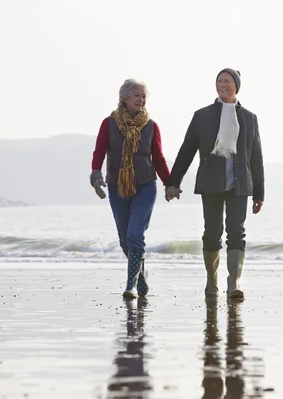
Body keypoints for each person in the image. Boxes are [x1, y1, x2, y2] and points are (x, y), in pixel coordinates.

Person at [166, 68, 265, 300]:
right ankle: (212, 281)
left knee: (236, 232)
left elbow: (256, 157)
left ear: (236, 86)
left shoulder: (249, 118)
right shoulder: (203, 116)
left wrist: (259, 192)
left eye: (227, 81)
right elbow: (187, 150)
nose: (222, 85)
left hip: (239, 185)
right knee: (212, 233)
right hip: (211, 183)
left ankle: (234, 282)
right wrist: (174, 181)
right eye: (219, 81)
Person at [90, 78, 170, 299]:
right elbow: (98, 152)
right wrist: (96, 174)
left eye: (144, 96)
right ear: (124, 98)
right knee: (125, 241)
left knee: (135, 235)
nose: (141, 99)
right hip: (118, 188)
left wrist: (169, 183)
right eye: (137, 95)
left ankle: (130, 286)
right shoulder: (109, 123)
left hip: (145, 186)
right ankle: (140, 275)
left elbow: (159, 158)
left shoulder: (151, 126)